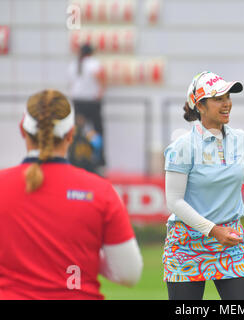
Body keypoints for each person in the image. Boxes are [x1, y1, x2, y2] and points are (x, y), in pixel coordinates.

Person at [0, 90, 143, 299]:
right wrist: (86, 254)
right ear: (71, 133)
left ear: (22, 130)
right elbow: (128, 273)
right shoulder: (100, 191)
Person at [163, 71, 244, 300]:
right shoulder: (182, 147)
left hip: (230, 242)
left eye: (228, 97)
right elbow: (175, 202)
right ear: (200, 106)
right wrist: (214, 231)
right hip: (187, 245)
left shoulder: (240, 139)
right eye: (218, 98)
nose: (226, 104)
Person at [68, 43, 106, 173]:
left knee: (78, 130)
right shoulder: (93, 63)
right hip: (91, 101)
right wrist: (101, 90)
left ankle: (75, 156)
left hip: (78, 101)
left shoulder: (74, 64)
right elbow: (101, 76)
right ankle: (99, 159)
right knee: (97, 130)